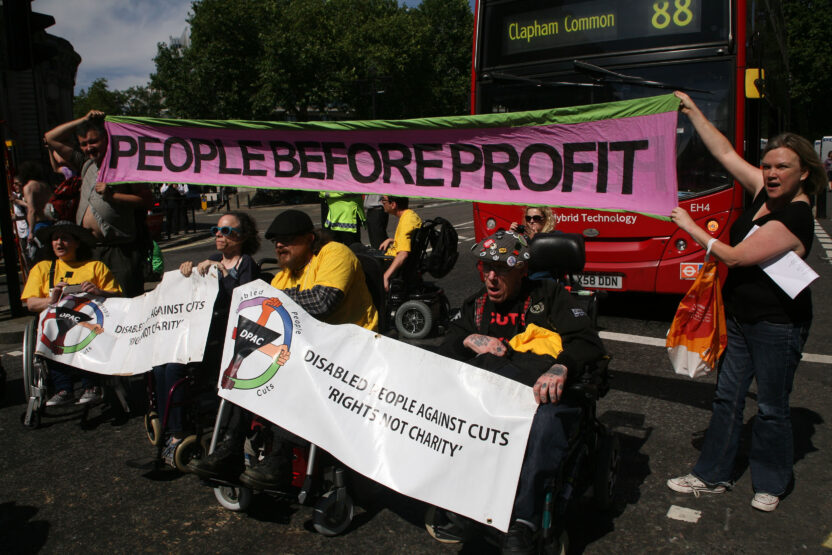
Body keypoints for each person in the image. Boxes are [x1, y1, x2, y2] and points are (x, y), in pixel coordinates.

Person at [667, 91, 826, 512]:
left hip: (777, 325)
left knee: (772, 408)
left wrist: (691, 226)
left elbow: (735, 256)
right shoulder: (763, 191)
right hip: (739, 319)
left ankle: (770, 483)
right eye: (768, 165)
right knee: (727, 398)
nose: (771, 173)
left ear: (804, 173)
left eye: (783, 167)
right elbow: (722, 151)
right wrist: (693, 111)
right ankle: (711, 475)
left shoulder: (795, 216)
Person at [435, 229, 605, 553]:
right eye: (486, 267)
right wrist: (466, 340)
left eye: (501, 269)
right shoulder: (477, 306)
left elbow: (587, 341)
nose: (492, 277)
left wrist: (561, 366)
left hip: (541, 396)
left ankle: (524, 522)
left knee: (544, 427)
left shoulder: (550, 295)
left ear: (522, 270)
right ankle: (460, 498)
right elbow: (446, 349)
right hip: (494, 399)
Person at [189, 209, 378, 485]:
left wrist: (271, 297)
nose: (279, 245)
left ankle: (281, 457)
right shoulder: (283, 277)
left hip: (349, 347)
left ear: (310, 239)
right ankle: (230, 447)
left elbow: (322, 302)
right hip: (309, 347)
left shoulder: (334, 253)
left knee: (294, 375)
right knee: (244, 361)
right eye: (276, 240)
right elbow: (268, 311)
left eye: (288, 239)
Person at [152, 212, 260, 467]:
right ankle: (167, 422)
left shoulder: (246, 265)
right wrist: (186, 274)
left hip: (223, 339)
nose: (220, 235)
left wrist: (225, 275)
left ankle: (178, 433)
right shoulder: (210, 259)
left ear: (242, 237)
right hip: (197, 332)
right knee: (160, 366)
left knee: (176, 370)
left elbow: (246, 301)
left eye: (227, 231)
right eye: (216, 230)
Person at [44, 109, 152, 297]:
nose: (89, 147)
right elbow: (50, 138)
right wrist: (83, 119)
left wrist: (112, 197)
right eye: (84, 144)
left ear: (107, 140)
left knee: (125, 299)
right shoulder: (85, 163)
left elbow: (147, 200)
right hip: (91, 249)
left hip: (120, 249)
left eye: (94, 141)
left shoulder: (125, 166)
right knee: (94, 303)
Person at [20, 221, 122, 406]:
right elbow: (31, 303)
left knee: (84, 329)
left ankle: (91, 385)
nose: (59, 243)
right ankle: (63, 387)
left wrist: (99, 291)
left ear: (77, 242)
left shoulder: (95, 267)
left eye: (65, 238)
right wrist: (51, 301)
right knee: (54, 325)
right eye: (55, 239)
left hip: (90, 319)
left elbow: (118, 297)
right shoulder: (43, 268)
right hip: (56, 321)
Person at [378, 195, 422, 291]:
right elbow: (409, 239)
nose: (382, 203)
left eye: (384, 201)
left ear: (393, 204)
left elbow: (403, 254)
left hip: (391, 262)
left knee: (358, 252)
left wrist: (385, 276)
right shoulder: (411, 215)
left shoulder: (406, 221)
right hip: (396, 258)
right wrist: (392, 240)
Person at [17, 161, 52, 237]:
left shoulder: (29, 187)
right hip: (50, 222)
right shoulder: (45, 186)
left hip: (38, 225)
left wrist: (31, 232)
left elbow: (32, 210)